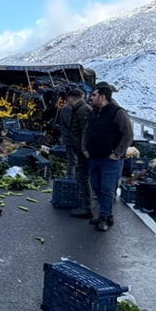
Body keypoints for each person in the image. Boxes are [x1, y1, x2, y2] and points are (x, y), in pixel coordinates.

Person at [82, 83, 133, 232]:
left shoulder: (118, 113)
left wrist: (117, 153)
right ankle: (107, 214)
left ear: (102, 97)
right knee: (96, 186)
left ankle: (104, 217)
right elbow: (87, 131)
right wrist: (84, 148)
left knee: (107, 188)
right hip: (94, 157)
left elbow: (128, 134)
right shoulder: (94, 112)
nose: (91, 97)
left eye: (93, 95)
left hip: (110, 160)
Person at [53, 88, 92, 217]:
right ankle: (74, 182)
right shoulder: (72, 109)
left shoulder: (78, 109)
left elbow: (81, 130)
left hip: (78, 145)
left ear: (70, 98)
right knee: (75, 163)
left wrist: (83, 147)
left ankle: (85, 203)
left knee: (78, 169)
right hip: (74, 143)